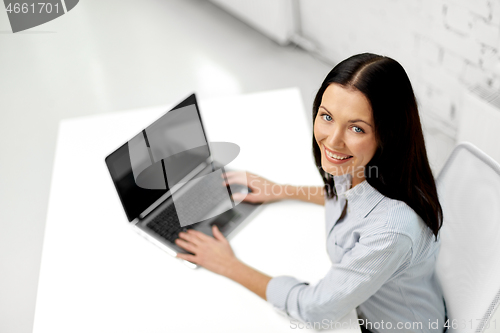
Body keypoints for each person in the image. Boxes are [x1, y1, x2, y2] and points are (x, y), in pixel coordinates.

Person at [174, 53, 446, 333]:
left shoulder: (391, 231)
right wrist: (279, 190)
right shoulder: (371, 170)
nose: (333, 140)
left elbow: (315, 310)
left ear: (389, 135)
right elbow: (347, 198)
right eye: (327, 116)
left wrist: (227, 264)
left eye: (356, 128)